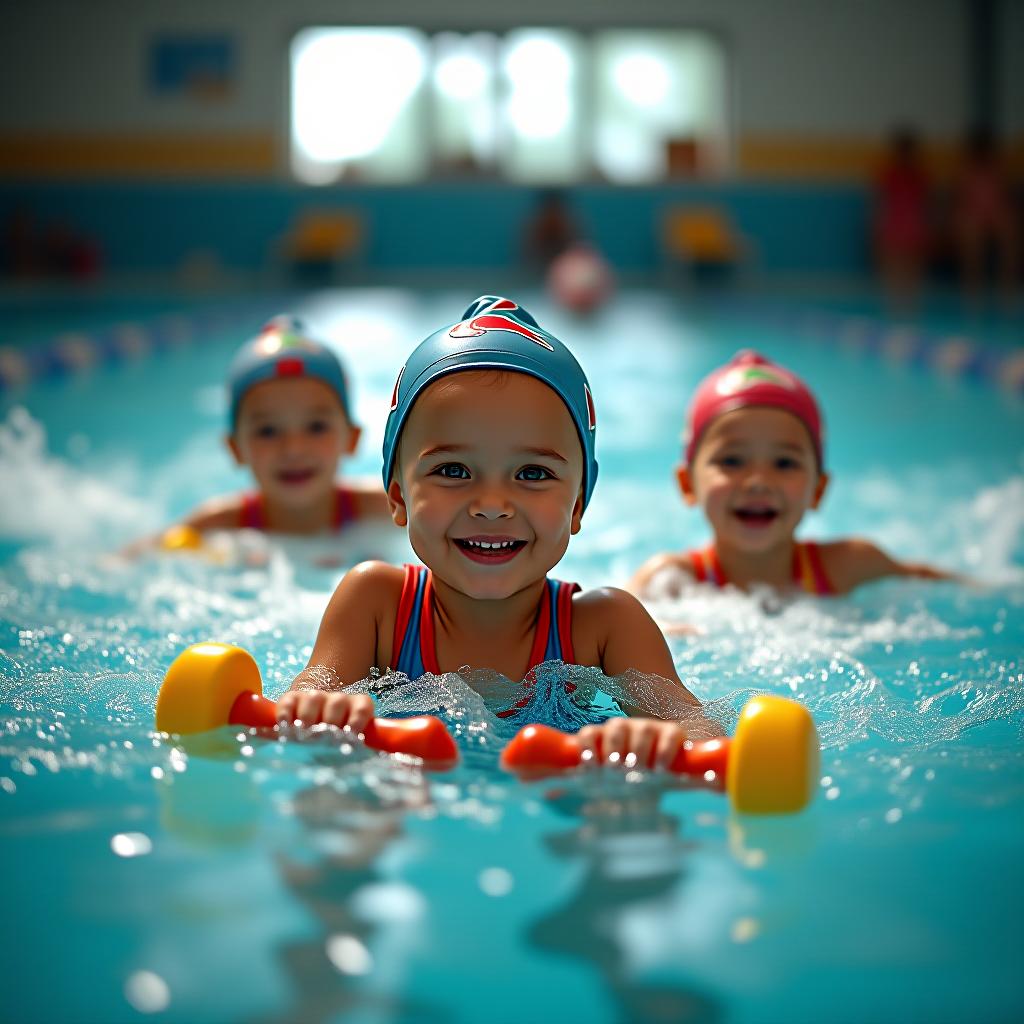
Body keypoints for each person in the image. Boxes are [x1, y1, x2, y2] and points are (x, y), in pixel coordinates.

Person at [277, 296, 717, 764]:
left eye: (532, 474)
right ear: (399, 497)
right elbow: (312, 688)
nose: (490, 506)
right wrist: (318, 707)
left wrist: (657, 743)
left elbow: (698, 729)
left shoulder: (604, 627)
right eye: (453, 471)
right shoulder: (377, 606)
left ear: (577, 505)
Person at [630, 350, 955, 598]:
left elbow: (939, 585)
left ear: (818, 490)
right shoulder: (670, 583)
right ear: (688, 485)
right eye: (732, 461)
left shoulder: (849, 565)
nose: (758, 481)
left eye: (784, 463)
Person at [169, 315, 390, 538]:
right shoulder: (215, 526)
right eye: (268, 431)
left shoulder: (386, 509)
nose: (293, 449)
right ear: (235, 449)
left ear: (352, 439)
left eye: (316, 427)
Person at [951, 126, 1020, 301]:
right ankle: (973, 285)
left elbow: (1007, 197)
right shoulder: (965, 169)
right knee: (970, 230)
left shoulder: (999, 167)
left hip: (996, 213)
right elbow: (960, 200)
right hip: (973, 215)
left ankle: (1008, 284)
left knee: (1010, 227)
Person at [872, 127, 932, 310]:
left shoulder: (919, 175)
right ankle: (894, 298)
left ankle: (908, 298)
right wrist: (876, 226)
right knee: (894, 262)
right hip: (895, 222)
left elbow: (927, 203)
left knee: (910, 263)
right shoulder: (889, 174)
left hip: (913, 222)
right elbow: (879, 202)